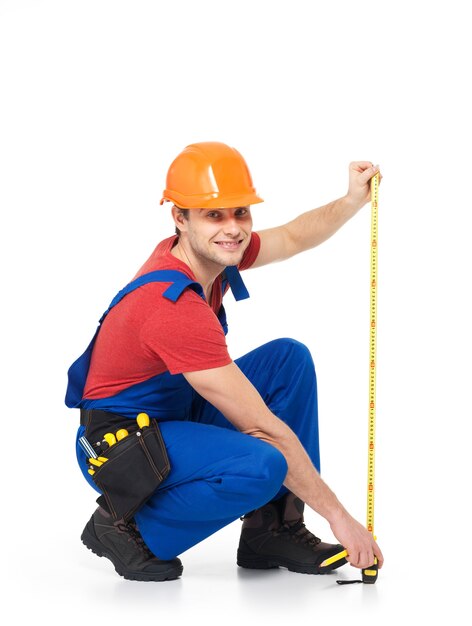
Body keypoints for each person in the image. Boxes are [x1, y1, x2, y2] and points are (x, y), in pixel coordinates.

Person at [66, 141, 384, 582]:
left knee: (287, 360)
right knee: (264, 463)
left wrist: (351, 200)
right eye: (214, 215)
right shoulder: (172, 306)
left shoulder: (211, 254)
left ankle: (271, 530)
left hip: (172, 414)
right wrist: (340, 517)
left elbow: (292, 236)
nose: (232, 228)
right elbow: (262, 428)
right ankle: (125, 528)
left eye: (240, 212)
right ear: (180, 218)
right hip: (120, 445)